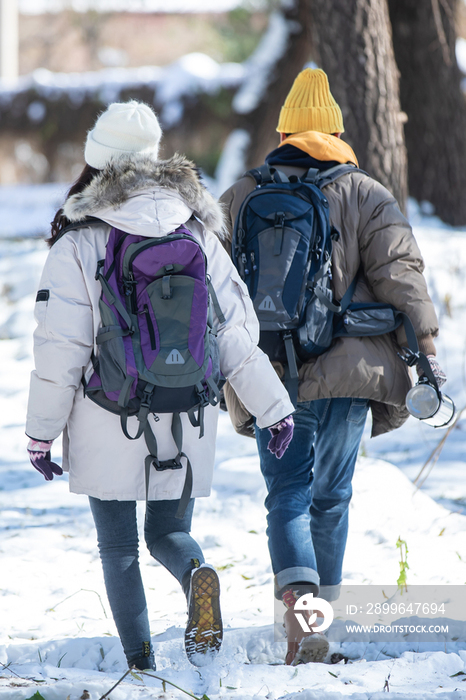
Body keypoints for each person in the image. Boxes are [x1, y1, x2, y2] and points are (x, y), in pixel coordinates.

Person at [25, 100, 295, 671]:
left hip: (109, 412)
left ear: (96, 166)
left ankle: (142, 663)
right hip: (188, 412)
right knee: (169, 533)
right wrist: (275, 410)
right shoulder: (196, 231)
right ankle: (197, 575)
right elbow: (237, 333)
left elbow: (61, 350)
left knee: (120, 547)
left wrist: (40, 433)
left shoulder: (80, 240)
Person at [220, 69, 445, 665]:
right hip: (348, 370)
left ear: (286, 129)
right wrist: (426, 348)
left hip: (267, 372)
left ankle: (300, 624)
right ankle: (319, 625)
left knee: (287, 495)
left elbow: (211, 282)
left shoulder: (243, 193)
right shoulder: (367, 192)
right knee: (331, 497)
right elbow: (403, 274)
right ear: (338, 130)